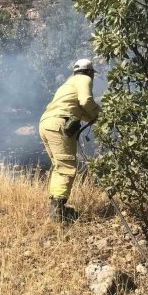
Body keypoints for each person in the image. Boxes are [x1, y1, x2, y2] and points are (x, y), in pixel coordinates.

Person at [39, 58, 100, 223]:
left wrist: (92, 118)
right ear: (89, 72)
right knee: (66, 167)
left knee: (59, 166)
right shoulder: (84, 79)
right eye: (92, 74)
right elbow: (86, 101)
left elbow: (79, 108)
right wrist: (99, 113)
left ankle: (57, 206)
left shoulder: (68, 84)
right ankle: (58, 211)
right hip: (60, 123)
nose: (92, 77)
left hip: (46, 123)